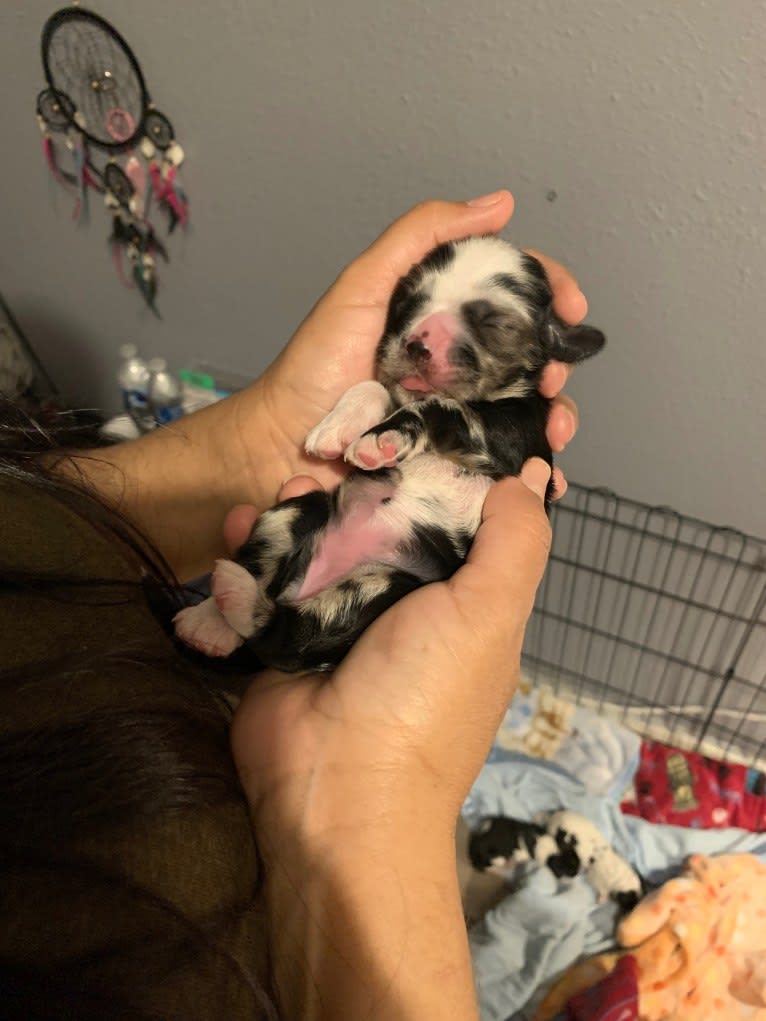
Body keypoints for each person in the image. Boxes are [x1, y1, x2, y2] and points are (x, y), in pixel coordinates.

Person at [1, 191, 585, 1020]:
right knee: (291, 526)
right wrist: (387, 789)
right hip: (358, 513)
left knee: (345, 587)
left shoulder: (513, 421)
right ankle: (255, 624)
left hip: (401, 551)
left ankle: (268, 628)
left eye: (483, 325)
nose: (425, 335)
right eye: (417, 310)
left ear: (542, 350)